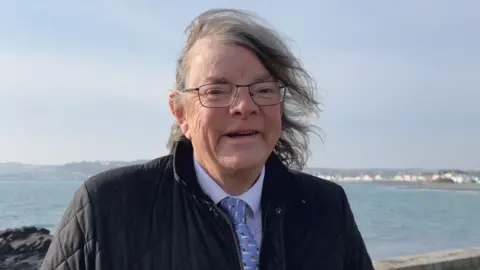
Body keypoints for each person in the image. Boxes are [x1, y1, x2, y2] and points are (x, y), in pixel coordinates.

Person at [41, 8, 374, 270]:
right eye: (217, 90)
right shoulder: (105, 206)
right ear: (181, 113)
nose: (244, 106)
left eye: (263, 89)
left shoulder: (327, 208)